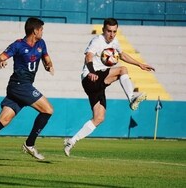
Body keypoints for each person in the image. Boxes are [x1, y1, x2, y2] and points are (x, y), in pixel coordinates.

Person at [0, 17, 54, 165]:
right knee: (48, 110)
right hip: (20, 85)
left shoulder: (41, 43)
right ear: (35, 31)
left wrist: (49, 65)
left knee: (3, 120)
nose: (43, 32)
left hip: (20, 87)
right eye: (41, 29)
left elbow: (47, 58)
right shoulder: (18, 45)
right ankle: (29, 144)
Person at [64, 18, 155, 157]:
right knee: (122, 70)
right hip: (91, 78)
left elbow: (122, 54)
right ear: (103, 30)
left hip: (98, 84)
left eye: (114, 31)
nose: (111, 34)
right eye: (109, 31)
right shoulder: (97, 40)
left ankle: (71, 141)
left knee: (99, 117)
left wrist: (140, 64)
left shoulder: (114, 42)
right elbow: (88, 56)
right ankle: (131, 97)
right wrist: (91, 71)